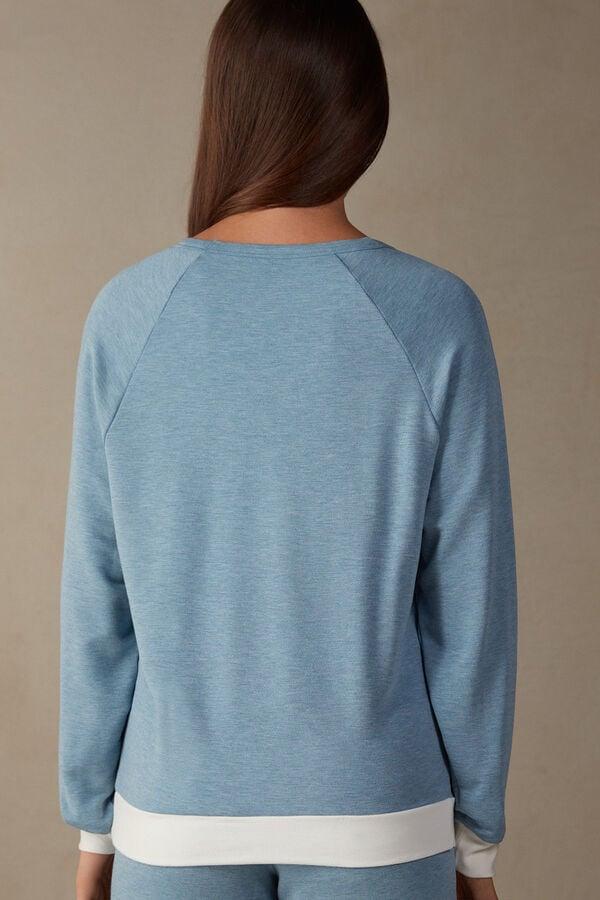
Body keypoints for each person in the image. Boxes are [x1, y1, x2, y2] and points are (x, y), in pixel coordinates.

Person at [58, 1, 518, 898]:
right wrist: (477, 842)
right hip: (379, 806)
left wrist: (93, 825)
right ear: (364, 112)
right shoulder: (434, 315)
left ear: (225, 108)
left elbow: (95, 596)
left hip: (174, 808)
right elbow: (472, 604)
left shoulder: (129, 313)